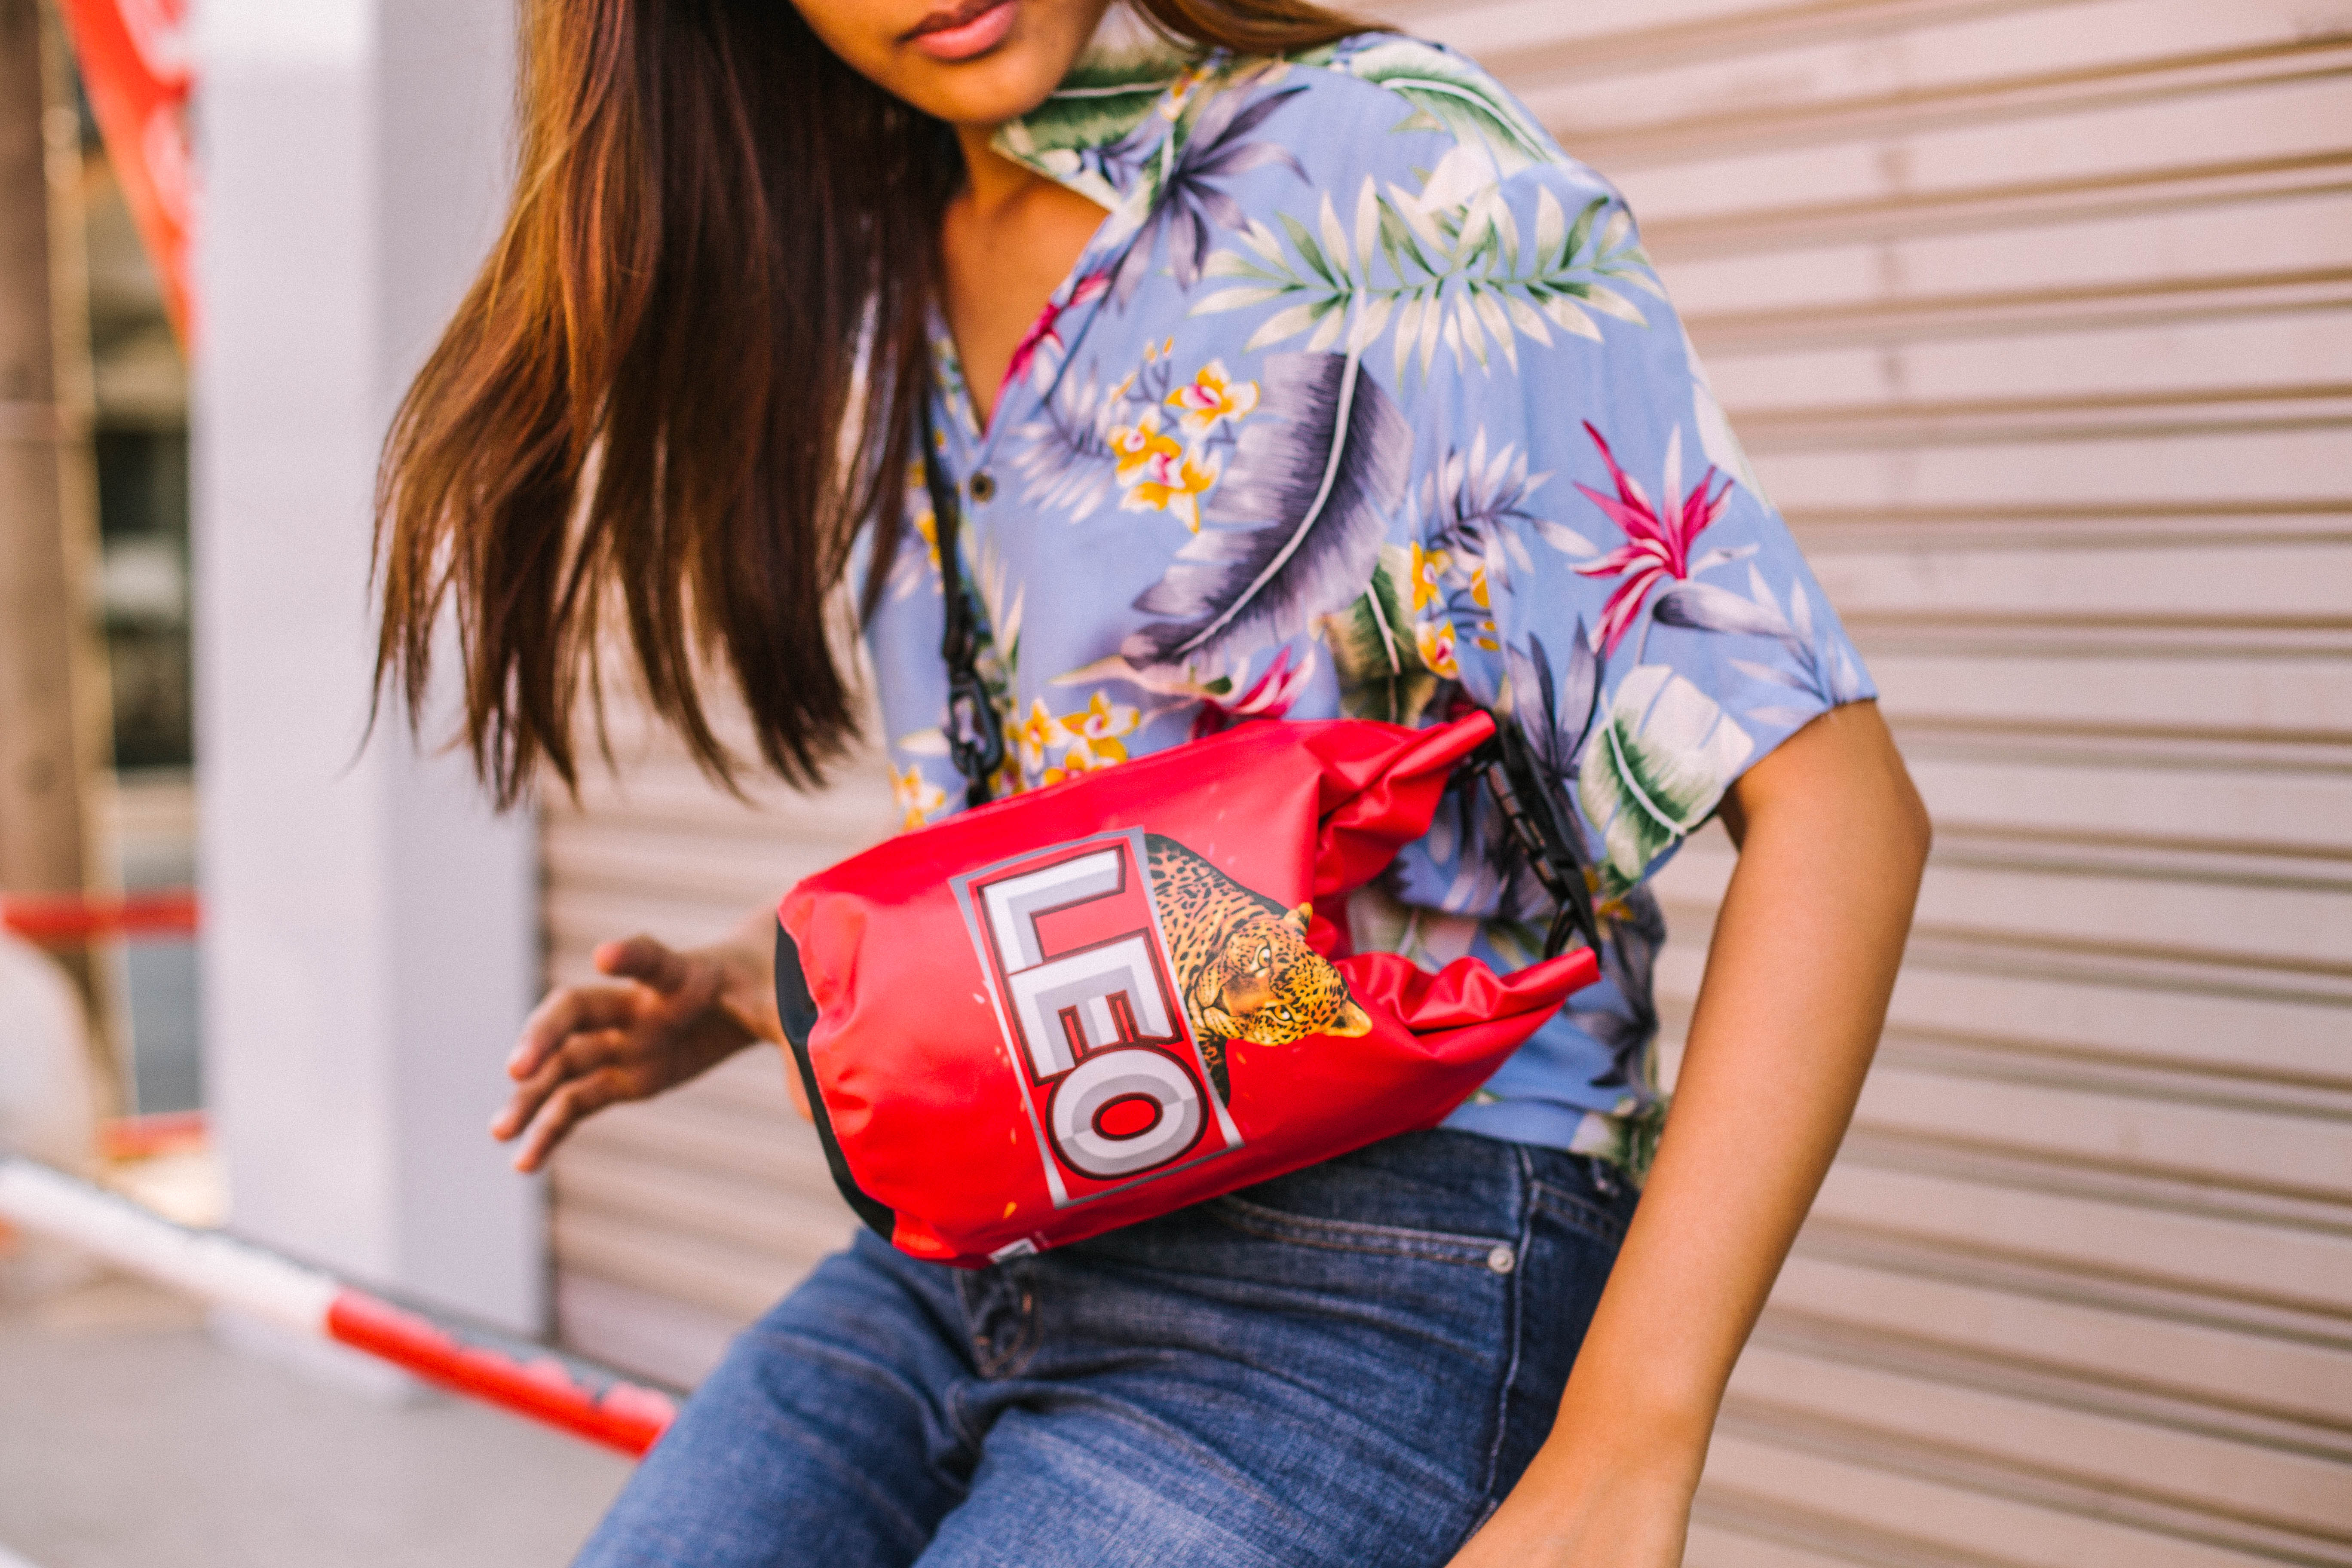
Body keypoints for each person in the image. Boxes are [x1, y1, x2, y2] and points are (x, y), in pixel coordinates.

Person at [374, 2, 1930, 1563]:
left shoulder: (1383, 166)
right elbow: (1115, 801)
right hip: (990, 1233)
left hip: (1383, 1253)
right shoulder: (879, 253)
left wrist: (1623, 1453)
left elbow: (1841, 815)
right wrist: (751, 977)